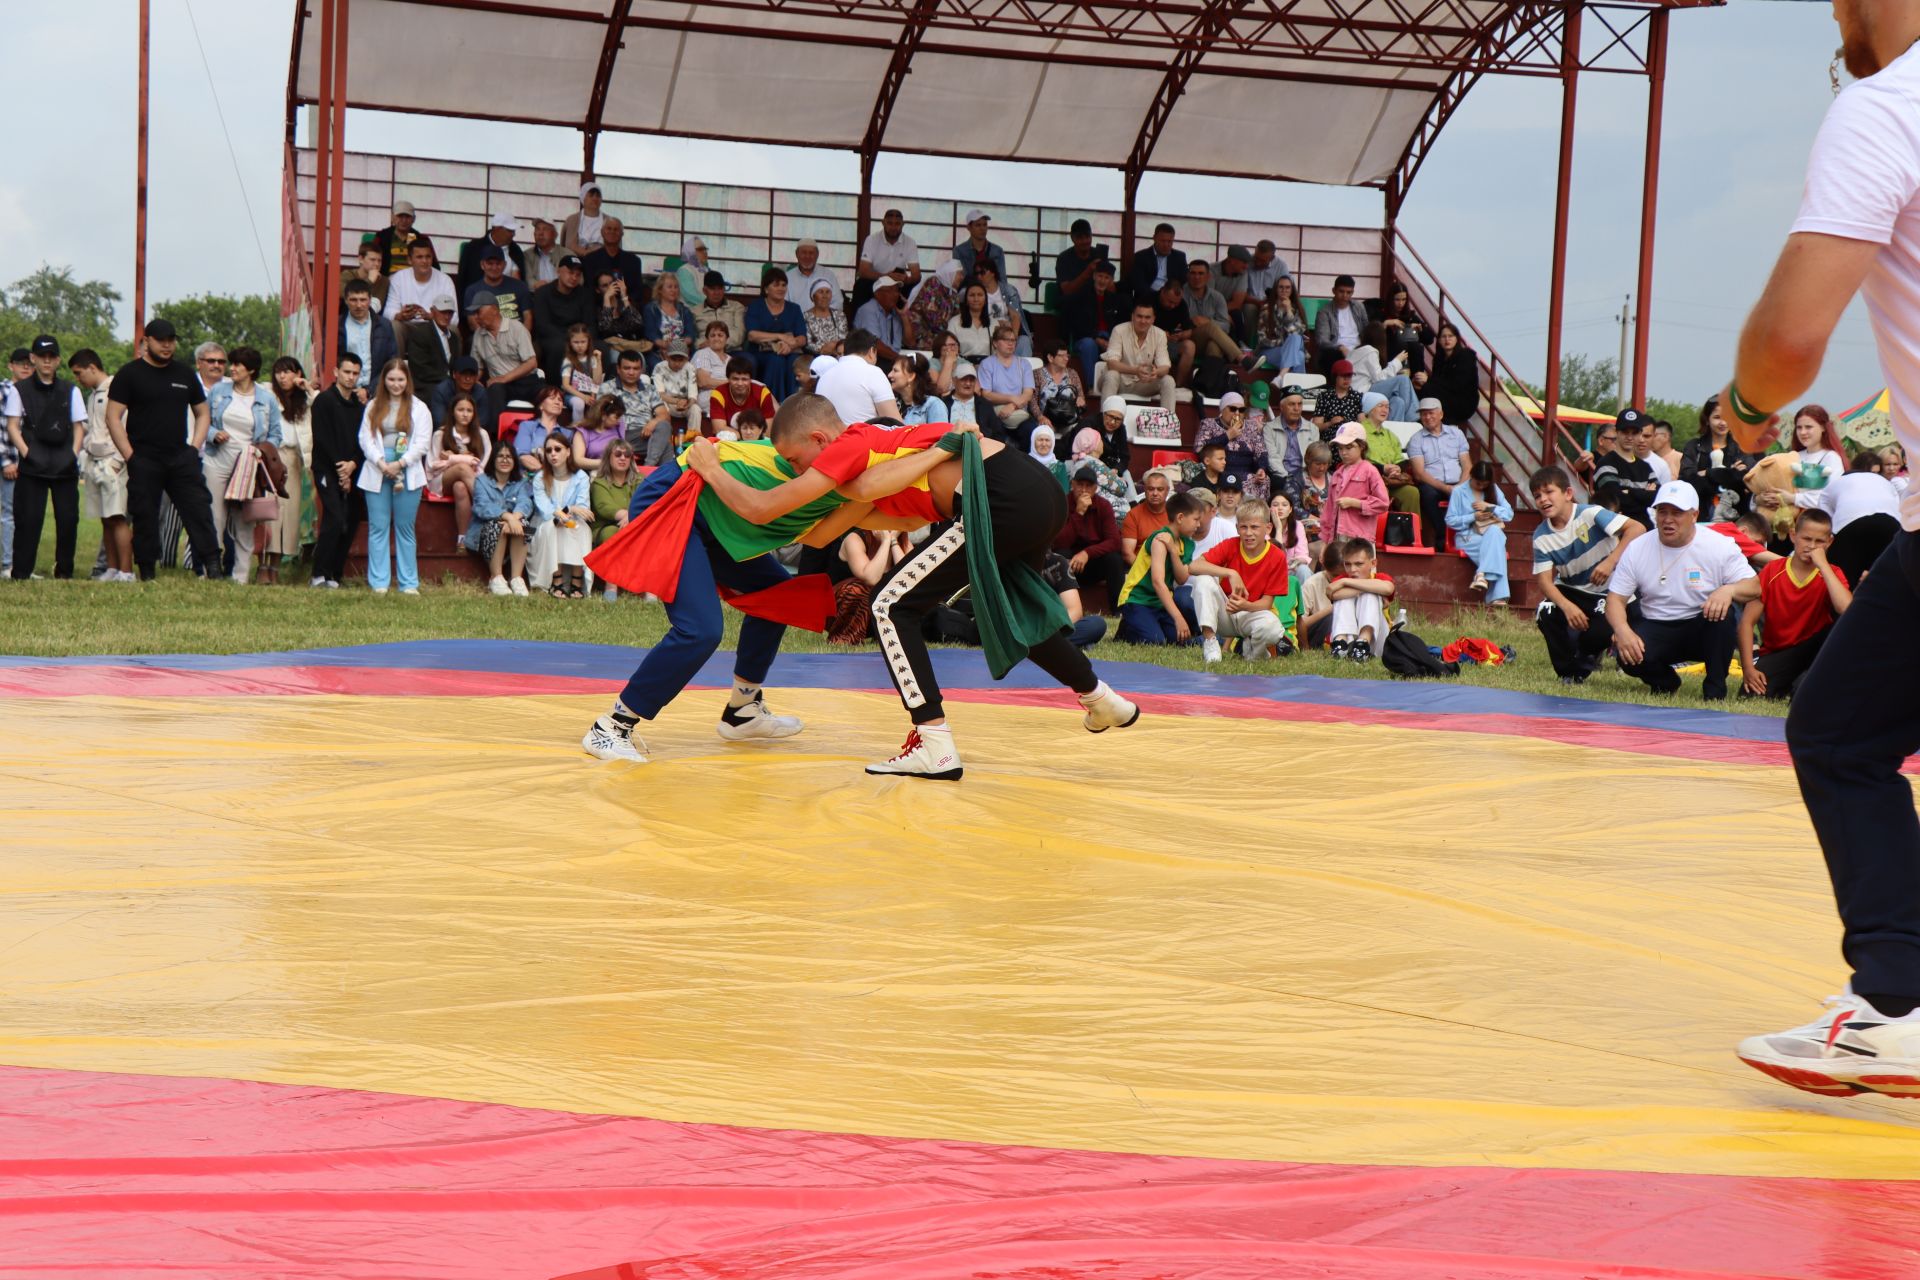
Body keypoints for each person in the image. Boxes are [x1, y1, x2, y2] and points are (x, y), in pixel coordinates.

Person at [1710, 9, 1920, 1088]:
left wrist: (1747, 407)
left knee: (1841, 733)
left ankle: (1897, 996)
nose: (1836, 20)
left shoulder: (1888, 107)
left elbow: (1794, 336)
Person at [680, 398, 1141, 778]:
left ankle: (934, 742)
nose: (797, 473)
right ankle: (1101, 700)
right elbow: (819, 534)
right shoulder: (877, 465)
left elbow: (765, 509)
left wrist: (712, 469)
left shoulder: (851, 444)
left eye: (796, 462)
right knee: (1016, 607)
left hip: (997, 497)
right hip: (1034, 494)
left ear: (820, 439)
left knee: (890, 607)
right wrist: (941, 451)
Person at [1604, 480, 1757, 701]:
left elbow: (1754, 586)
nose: (1668, 519)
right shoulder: (1637, 547)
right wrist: (1622, 630)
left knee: (1724, 616)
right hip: (1656, 622)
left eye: (1677, 513)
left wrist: (1729, 590)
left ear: (1694, 515)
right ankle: (1665, 682)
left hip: (1702, 623)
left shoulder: (1719, 545)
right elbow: (1615, 599)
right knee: (1627, 654)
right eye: (1662, 512)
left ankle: (1715, 691)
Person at [105, 320, 220, 581]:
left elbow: (202, 413)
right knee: (145, 516)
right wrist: (130, 456)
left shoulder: (184, 374)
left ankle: (213, 566)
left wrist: (194, 448)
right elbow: (113, 417)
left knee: (199, 510)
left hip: (181, 456)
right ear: (146, 342)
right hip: (143, 457)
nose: (167, 345)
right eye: (160, 340)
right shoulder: (130, 374)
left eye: (171, 339)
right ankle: (147, 571)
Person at [1528, 464, 1644, 683]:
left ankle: (1585, 658)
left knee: (1597, 635)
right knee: (1546, 612)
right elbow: (1544, 583)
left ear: (1568, 493)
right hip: (1573, 590)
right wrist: (1567, 606)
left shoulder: (1590, 513)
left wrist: (1610, 561)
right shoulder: (1541, 536)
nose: (1543, 499)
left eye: (1549, 492)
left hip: (1610, 592)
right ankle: (1568, 674)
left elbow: (1637, 528)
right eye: (1537, 496)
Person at [1738, 508, 1852, 701]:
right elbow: (1747, 623)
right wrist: (1748, 668)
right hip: (1778, 652)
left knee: (1805, 694)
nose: (1812, 546)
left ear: (1829, 542)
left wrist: (1823, 566)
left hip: (1815, 649)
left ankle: (1801, 683)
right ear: (1793, 535)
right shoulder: (1772, 570)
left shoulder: (1832, 573)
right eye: (1807, 539)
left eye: (1819, 541)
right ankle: (1792, 683)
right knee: (1749, 695)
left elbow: (1847, 609)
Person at [4, 335, 85, 579]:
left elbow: (79, 426)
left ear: (58, 360)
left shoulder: (71, 390)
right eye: (41, 357)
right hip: (33, 463)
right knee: (28, 519)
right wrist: (28, 453)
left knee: (68, 520)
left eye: (51, 357)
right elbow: (12, 426)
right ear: (34, 359)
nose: (46, 362)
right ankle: (21, 572)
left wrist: (72, 454)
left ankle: (64, 572)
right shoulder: (19, 390)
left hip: (64, 463)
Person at [202, 345, 283, 584]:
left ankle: (241, 575)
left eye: (238, 365)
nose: (232, 368)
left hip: (249, 465)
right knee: (214, 517)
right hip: (217, 460)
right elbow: (202, 421)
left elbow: (276, 434)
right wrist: (213, 433)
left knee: (244, 520)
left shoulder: (266, 399)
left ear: (252, 370)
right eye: (232, 363)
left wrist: (261, 450)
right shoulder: (218, 391)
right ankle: (211, 572)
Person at [356, 359, 433, 596]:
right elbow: (365, 438)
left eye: (401, 379)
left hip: (407, 471)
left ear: (407, 381)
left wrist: (399, 463)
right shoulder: (373, 406)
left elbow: (422, 443)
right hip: (377, 469)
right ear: (384, 380)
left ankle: (408, 582)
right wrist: (381, 463)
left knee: (405, 527)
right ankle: (379, 581)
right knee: (378, 527)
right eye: (391, 379)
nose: (396, 384)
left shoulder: (419, 408)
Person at [1189, 501, 1295, 662]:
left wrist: (1245, 606)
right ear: (1237, 528)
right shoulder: (1231, 544)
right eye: (1244, 527)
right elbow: (1194, 566)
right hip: (1226, 611)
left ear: (1268, 528)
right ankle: (1210, 643)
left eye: (1254, 527)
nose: (1248, 533)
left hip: (1253, 613)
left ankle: (1256, 653)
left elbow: (1266, 603)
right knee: (1203, 580)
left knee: (1273, 629)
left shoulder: (1277, 556)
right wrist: (1230, 573)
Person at [69, 349, 134, 580]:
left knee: (118, 518)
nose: (78, 379)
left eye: (79, 373)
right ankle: (112, 568)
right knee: (105, 518)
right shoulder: (93, 394)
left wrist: (118, 461)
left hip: (114, 463)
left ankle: (126, 571)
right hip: (95, 461)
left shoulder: (117, 389)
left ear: (92, 368)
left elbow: (126, 428)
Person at [1113, 487, 1204, 645]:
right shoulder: (1159, 539)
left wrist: (1174, 552)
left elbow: (1181, 579)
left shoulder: (1187, 543)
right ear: (1180, 517)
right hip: (1137, 599)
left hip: (1159, 603)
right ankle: (1127, 628)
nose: (1199, 524)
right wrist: (1178, 617)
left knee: (1180, 641)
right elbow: (1157, 582)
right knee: (1156, 642)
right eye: (1196, 519)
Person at [308, 351, 366, 588]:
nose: (351, 377)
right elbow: (322, 438)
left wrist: (352, 464)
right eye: (347, 372)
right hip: (326, 468)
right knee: (334, 517)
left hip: (352, 470)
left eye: (355, 373)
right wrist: (340, 469)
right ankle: (318, 574)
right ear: (336, 372)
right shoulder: (324, 400)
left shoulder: (358, 406)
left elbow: (363, 439)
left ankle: (334, 574)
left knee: (351, 520)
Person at [527, 432, 593, 597]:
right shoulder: (540, 478)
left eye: (558, 449)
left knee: (581, 529)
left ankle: (577, 581)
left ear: (568, 451)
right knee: (554, 527)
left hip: (573, 520)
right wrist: (568, 509)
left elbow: (583, 508)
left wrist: (568, 513)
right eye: (549, 451)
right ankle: (556, 579)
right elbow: (545, 510)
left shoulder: (581, 477)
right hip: (544, 523)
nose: (553, 454)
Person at [1402, 398, 1471, 551]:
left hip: (1458, 481)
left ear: (1441, 414)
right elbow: (1419, 474)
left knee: (1472, 492)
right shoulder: (1416, 440)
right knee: (1427, 493)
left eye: (1431, 413)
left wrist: (1459, 485)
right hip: (1433, 483)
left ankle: (1470, 540)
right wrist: (1445, 488)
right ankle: (1441, 534)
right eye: (1424, 414)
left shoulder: (1456, 434)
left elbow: (1467, 465)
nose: (1427, 417)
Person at [469, 292, 542, 431]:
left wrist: (504, 378)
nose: (476, 317)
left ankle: (545, 437)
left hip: (526, 381)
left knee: (548, 394)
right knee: (494, 390)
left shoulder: (516, 328)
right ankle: (496, 440)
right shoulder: (478, 335)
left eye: (479, 312)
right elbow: (478, 368)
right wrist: (473, 380)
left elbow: (532, 363)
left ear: (495, 310)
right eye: (474, 313)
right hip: (501, 386)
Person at [1054, 465, 1125, 607]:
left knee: (1114, 559)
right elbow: (1058, 542)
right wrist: (1079, 513)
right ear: (1072, 485)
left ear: (1095, 488)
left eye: (1089, 486)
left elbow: (1115, 541)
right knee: (1059, 555)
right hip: (1070, 563)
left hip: (1093, 561)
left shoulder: (1103, 506)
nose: (1084, 490)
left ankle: (1118, 609)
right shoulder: (1064, 503)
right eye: (1080, 485)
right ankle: (1063, 607)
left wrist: (1087, 553)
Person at [467, 442, 531, 596]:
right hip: (483, 532)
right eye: (500, 456)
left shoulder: (521, 482)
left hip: (512, 531)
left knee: (524, 524)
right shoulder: (482, 481)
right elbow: (482, 506)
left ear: (514, 461)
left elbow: (526, 502)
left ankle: (516, 578)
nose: (505, 460)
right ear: (493, 460)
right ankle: (496, 577)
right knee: (499, 525)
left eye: (509, 457)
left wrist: (515, 518)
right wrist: (507, 517)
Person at [1679, 396, 1755, 520]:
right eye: (1717, 417)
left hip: (1734, 515)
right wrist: (1729, 473)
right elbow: (1686, 479)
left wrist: (1707, 473)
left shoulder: (1742, 448)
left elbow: (1748, 478)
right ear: (1707, 420)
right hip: (1699, 514)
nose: (1723, 423)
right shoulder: (1694, 446)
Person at [1446, 460, 1513, 601]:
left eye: (1485, 484)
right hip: (1467, 537)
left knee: (1495, 532)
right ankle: (1499, 597)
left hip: (1488, 533)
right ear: (1471, 476)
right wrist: (1473, 516)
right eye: (1478, 483)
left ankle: (1481, 575)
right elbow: (1450, 520)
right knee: (1498, 548)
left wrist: (1490, 506)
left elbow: (1509, 514)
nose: (1481, 487)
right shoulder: (1458, 491)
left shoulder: (1493, 489)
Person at [427, 391, 491, 538]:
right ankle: (488, 509)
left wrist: (452, 458)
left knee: (460, 487)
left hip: (473, 480)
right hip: (441, 481)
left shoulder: (482, 435)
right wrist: (463, 460)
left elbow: (481, 467)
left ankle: (463, 539)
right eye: (460, 410)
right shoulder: (441, 434)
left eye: (469, 410)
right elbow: (432, 466)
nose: (465, 414)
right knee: (463, 468)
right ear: (453, 412)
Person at [530, 254, 596, 383]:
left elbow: (591, 323)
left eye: (578, 274)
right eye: (570, 272)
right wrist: (569, 340)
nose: (574, 277)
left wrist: (582, 339)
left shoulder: (585, 294)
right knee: (558, 347)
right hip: (552, 337)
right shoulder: (543, 293)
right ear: (558, 271)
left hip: (580, 336)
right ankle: (554, 388)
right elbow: (542, 325)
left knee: (601, 347)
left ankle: (593, 390)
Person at [1327, 537, 1396, 660]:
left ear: (1373, 563)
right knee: (1344, 598)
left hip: (1378, 640)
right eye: (1347, 564)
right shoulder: (1342, 578)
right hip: (1349, 637)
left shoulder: (1380, 577)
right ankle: (1340, 643)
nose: (1352, 570)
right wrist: (1364, 585)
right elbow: (1333, 593)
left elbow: (1388, 589)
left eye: (1358, 564)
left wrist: (1345, 581)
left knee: (1370, 594)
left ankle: (1363, 643)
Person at [1098, 301, 1176, 410]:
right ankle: (1103, 422)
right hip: (1119, 381)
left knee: (1168, 380)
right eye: (1139, 316)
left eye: (1147, 317)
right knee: (1111, 375)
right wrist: (1136, 370)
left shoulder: (1160, 334)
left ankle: (1167, 424)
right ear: (1132, 317)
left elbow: (1165, 367)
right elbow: (1112, 364)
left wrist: (1155, 372)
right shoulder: (1119, 330)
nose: (1143, 321)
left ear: (1153, 319)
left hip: (1143, 383)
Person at [1324, 423, 1388, 546]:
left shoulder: (1370, 470)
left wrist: (1355, 503)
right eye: (1340, 448)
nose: (1343, 452)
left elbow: (1383, 503)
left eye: (1349, 447)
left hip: (1361, 536)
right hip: (1337, 536)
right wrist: (1325, 542)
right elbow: (1328, 511)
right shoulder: (1337, 474)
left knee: (1360, 564)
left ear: (1362, 446)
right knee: (1340, 565)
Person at [1596, 409, 1661, 526]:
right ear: (1617, 432)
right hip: (1615, 529)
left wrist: (1630, 492)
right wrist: (1644, 494)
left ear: (1640, 434)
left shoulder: (1645, 467)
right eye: (1625, 432)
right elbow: (1615, 501)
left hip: (1644, 530)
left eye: (1634, 432)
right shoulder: (1606, 463)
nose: (1630, 437)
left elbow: (1659, 498)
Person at [977, 322, 1035, 444]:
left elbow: (1028, 393)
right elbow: (986, 394)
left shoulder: (1024, 364)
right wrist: (1012, 398)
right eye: (1005, 339)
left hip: (1019, 413)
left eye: (1013, 340)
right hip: (995, 414)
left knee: (1031, 431)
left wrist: (1013, 405)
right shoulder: (987, 364)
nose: (1010, 343)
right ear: (995, 343)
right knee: (994, 435)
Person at [1347, 323, 1416, 423]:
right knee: (1403, 380)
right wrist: (1397, 361)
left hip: (1360, 393)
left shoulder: (1355, 351)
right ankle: (1413, 418)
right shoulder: (1370, 351)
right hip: (1361, 394)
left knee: (1398, 402)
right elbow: (1379, 378)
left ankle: (1396, 433)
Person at [381, 238, 455, 331]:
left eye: (428, 257)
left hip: (434, 329)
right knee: (395, 325)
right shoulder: (398, 278)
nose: (424, 261)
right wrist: (400, 315)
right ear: (409, 260)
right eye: (419, 257)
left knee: (453, 329)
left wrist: (432, 317)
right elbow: (388, 311)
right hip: (407, 327)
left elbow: (455, 318)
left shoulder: (445, 280)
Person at [339, 279, 398, 393]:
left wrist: (369, 390)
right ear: (346, 300)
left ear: (370, 300)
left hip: (376, 391)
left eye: (363, 300)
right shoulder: (337, 325)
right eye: (353, 300)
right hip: (346, 389)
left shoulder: (384, 325)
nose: (359, 305)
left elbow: (391, 361)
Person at [856, 207, 922, 309]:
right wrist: (885, 276)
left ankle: (908, 322)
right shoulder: (871, 240)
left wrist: (906, 279)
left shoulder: (910, 242)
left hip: (898, 282)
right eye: (890, 223)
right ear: (883, 223)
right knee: (861, 285)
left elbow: (916, 275)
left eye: (897, 224)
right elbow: (863, 271)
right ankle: (858, 322)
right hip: (876, 280)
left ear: (903, 224)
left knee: (915, 288)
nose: (893, 227)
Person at [402, 290, 463, 399]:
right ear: (432, 311)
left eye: (450, 313)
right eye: (443, 312)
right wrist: (448, 378)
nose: (447, 316)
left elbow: (456, 364)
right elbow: (420, 369)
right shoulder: (420, 334)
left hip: (450, 384)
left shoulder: (453, 337)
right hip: (427, 386)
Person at [455, 212, 528, 300]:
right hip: (479, 301)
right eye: (510, 231)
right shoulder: (473, 248)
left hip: (509, 302)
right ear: (496, 229)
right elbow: (462, 281)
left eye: (514, 231)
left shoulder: (515, 250)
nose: (513, 235)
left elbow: (519, 283)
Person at [1247, 274, 1309, 375]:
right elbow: (1262, 339)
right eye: (1281, 287)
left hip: (1290, 351)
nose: (1284, 290)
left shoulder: (1296, 310)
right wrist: (1285, 344)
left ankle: (1281, 378)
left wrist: (1288, 311)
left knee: (1296, 342)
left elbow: (1297, 335)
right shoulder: (1266, 309)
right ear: (1276, 289)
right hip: (1270, 351)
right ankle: (1296, 389)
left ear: (1292, 290)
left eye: (1287, 287)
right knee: (1298, 355)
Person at [1313, 275, 1370, 374]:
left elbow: (1367, 329)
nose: (1345, 296)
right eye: (1341, 291)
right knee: (1330, 355)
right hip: (1337, 350)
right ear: (1333, 290)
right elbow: (1322, 340)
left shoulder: (1359, 307)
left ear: (1353, 292)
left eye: (1348, 292)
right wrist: (1340, 347)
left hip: (1359, 348)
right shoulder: (1324, 311)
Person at [643, 273, 698, 373]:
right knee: (658, 366)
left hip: (682, 350)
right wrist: (664, 345)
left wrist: (677, 346)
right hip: (658, 350)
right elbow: (650, 333)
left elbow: (691, 334)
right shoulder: (650, 309)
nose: (673, 290)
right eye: (669, 287)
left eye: (676, 287)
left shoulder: (684, 310)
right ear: (660, 290)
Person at [652, 339, 702, 448]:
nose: (677, 363)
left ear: (686, 359)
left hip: (684, 403)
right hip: (667, 401)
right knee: (661, 406)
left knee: (696, 409)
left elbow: (693, 396)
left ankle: (693, 439)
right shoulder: (659, 367)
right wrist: (676, 401)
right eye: (674, 359)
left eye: (681, 360)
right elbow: (659, 394)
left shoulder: (690, 367)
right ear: (667, 357)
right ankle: (666, 439)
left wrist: (686, 404)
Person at [1426, 322, 1479, 426]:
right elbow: (1438, 382)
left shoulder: (1466, 355)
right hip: (1446, 397)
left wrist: (1429, 380)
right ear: (1439, 340)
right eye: (1443, 337)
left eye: (1450, 336)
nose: (1447, 340)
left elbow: (1459, 384)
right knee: (1422, 387)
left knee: (1428, 388)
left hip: (1463, 400)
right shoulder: (1438, 360)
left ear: (1456, 338)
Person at [708, 356, 778, 434]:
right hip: (728, 442)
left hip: (756, 442)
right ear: (728, 379)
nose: (740, 383)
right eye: (735, 379)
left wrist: (748, 439)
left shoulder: (763, 393)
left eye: (744, 379)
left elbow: (767, 431)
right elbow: (718, 429)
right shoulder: (718, 394)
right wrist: (746, 436)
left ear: (751, 379)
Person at [581, 218, 646, 300]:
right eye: (609, 228)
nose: (612, 232)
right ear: (602, 232)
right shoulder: (590, 259)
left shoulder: (634, 261)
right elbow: (589, 289)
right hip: (598, 307)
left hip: (625, 305)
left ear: (622, 234)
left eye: (616, 229)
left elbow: (637, 291)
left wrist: (622, 305)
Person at [1120, 468, 1172, 561]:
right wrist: (1145, 573)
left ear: (1167, 490)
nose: (1155, 493)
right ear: (1145, 490)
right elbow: (1127, 554)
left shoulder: (1175, 514)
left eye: (1160, 489)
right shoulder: (1133, 515)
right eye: (1151, 489)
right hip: (1140, 567)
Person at [1128, 223, 1187, 301]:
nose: (1166, 245)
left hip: (1172, 297)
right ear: (1154, 238)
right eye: (1163, 241)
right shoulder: (1141, 256)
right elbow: (1139, 283)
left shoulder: (1179, 257)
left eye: (1169, 241)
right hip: (1148, 298)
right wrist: (1158, 297)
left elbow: (1183, 281)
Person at [693, 272, 747, 355]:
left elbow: (739, 334)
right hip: (705, 351)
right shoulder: (694, 311)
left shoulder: (737, 307)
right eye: (712, 289)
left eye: (720, 288)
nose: (717, 292)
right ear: (704, 290)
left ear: (724, 289)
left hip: (732, 351)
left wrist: (716, 344)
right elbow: (693, 337)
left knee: (749, 360)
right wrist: (704, 345)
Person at [952, 208, 1007, 283]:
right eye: (978, 225)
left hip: (992, 293)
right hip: (968, 292)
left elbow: (1002, 280)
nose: (982, 228)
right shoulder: (959, 251)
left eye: (985, 225)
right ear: (969, 227)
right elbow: (959, 279)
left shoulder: (998, 251)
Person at [786, 238, 840, 312]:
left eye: (811, 253)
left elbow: (838, 303)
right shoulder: (787, 277)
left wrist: (820, 317)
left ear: (817, 255)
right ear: (797, 254)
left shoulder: (828, 275)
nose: (807, 256)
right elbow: (783, 303)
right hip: (794, 322)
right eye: (804, 253)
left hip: (823, 321)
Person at [371, 199, 419, 276]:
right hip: (387, 280)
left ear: (414, 219)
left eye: (407, 216)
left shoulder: (419, 238)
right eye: (400, 216)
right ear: (392, 217)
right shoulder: (383, 236)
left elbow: (433, 266)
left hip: (413, 281)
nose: (404, 220)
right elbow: (371, 260)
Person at [563, 183, 607, 257]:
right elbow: (569, 245)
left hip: (601, 260)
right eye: (591, 195)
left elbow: (612, 246)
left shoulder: (608, 220)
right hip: (576, 261)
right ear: (583, 198)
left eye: (598, 196)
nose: (595, 198)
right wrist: (584, 252)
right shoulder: (572, 220)